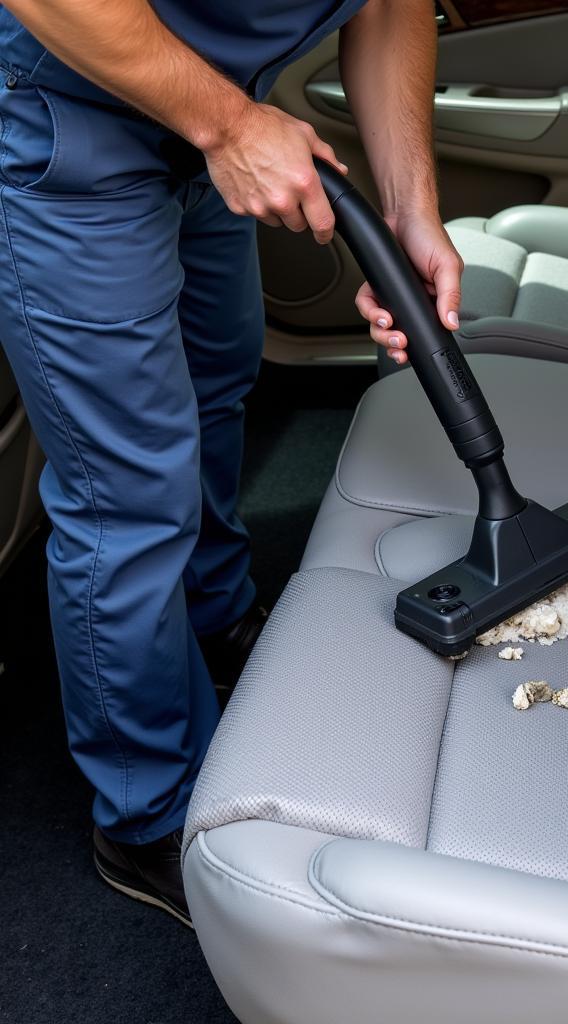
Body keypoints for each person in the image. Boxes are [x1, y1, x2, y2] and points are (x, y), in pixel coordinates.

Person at [0, 0, 462, 926]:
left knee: (217, 391)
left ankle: (210, 627)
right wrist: (231, 126)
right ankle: (146, 813)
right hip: (71, 115)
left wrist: (413, 208)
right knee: (127, 492)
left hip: (204, 118)